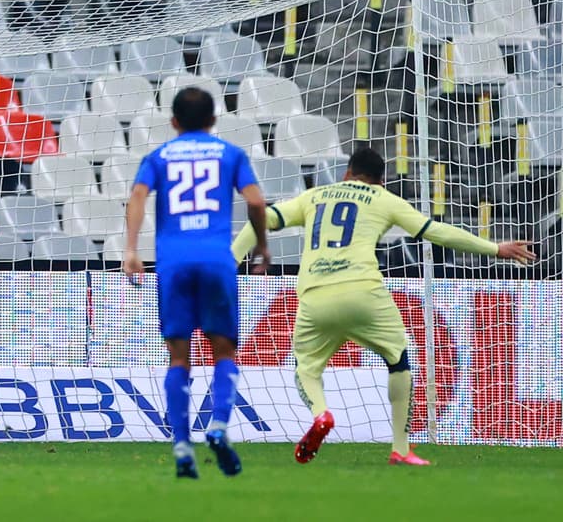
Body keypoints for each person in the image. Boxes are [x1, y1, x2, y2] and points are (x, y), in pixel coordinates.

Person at [232, 146, 536, 466]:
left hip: (315, 295)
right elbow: (435, 232)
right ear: (381, 181)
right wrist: (494, 248)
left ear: (347, 173)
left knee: (307, 368)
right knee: (398, 358)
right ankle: (401, 448)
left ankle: (321, 415)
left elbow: (259, 220)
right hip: (364, 293)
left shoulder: (315, 195)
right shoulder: (384, 199)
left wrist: (230, 262)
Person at [124, 86, 269, 479]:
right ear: (213, 120)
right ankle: (219, 425)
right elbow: (256, 202)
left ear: (173, 122)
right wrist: (263, 247)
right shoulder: (230, 154)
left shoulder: (158, 157)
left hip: (173, 264)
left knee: (178, 358)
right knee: (223, 351)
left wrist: (131, 249)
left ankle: (183, 447)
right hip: (216, 260)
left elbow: (137, 197)